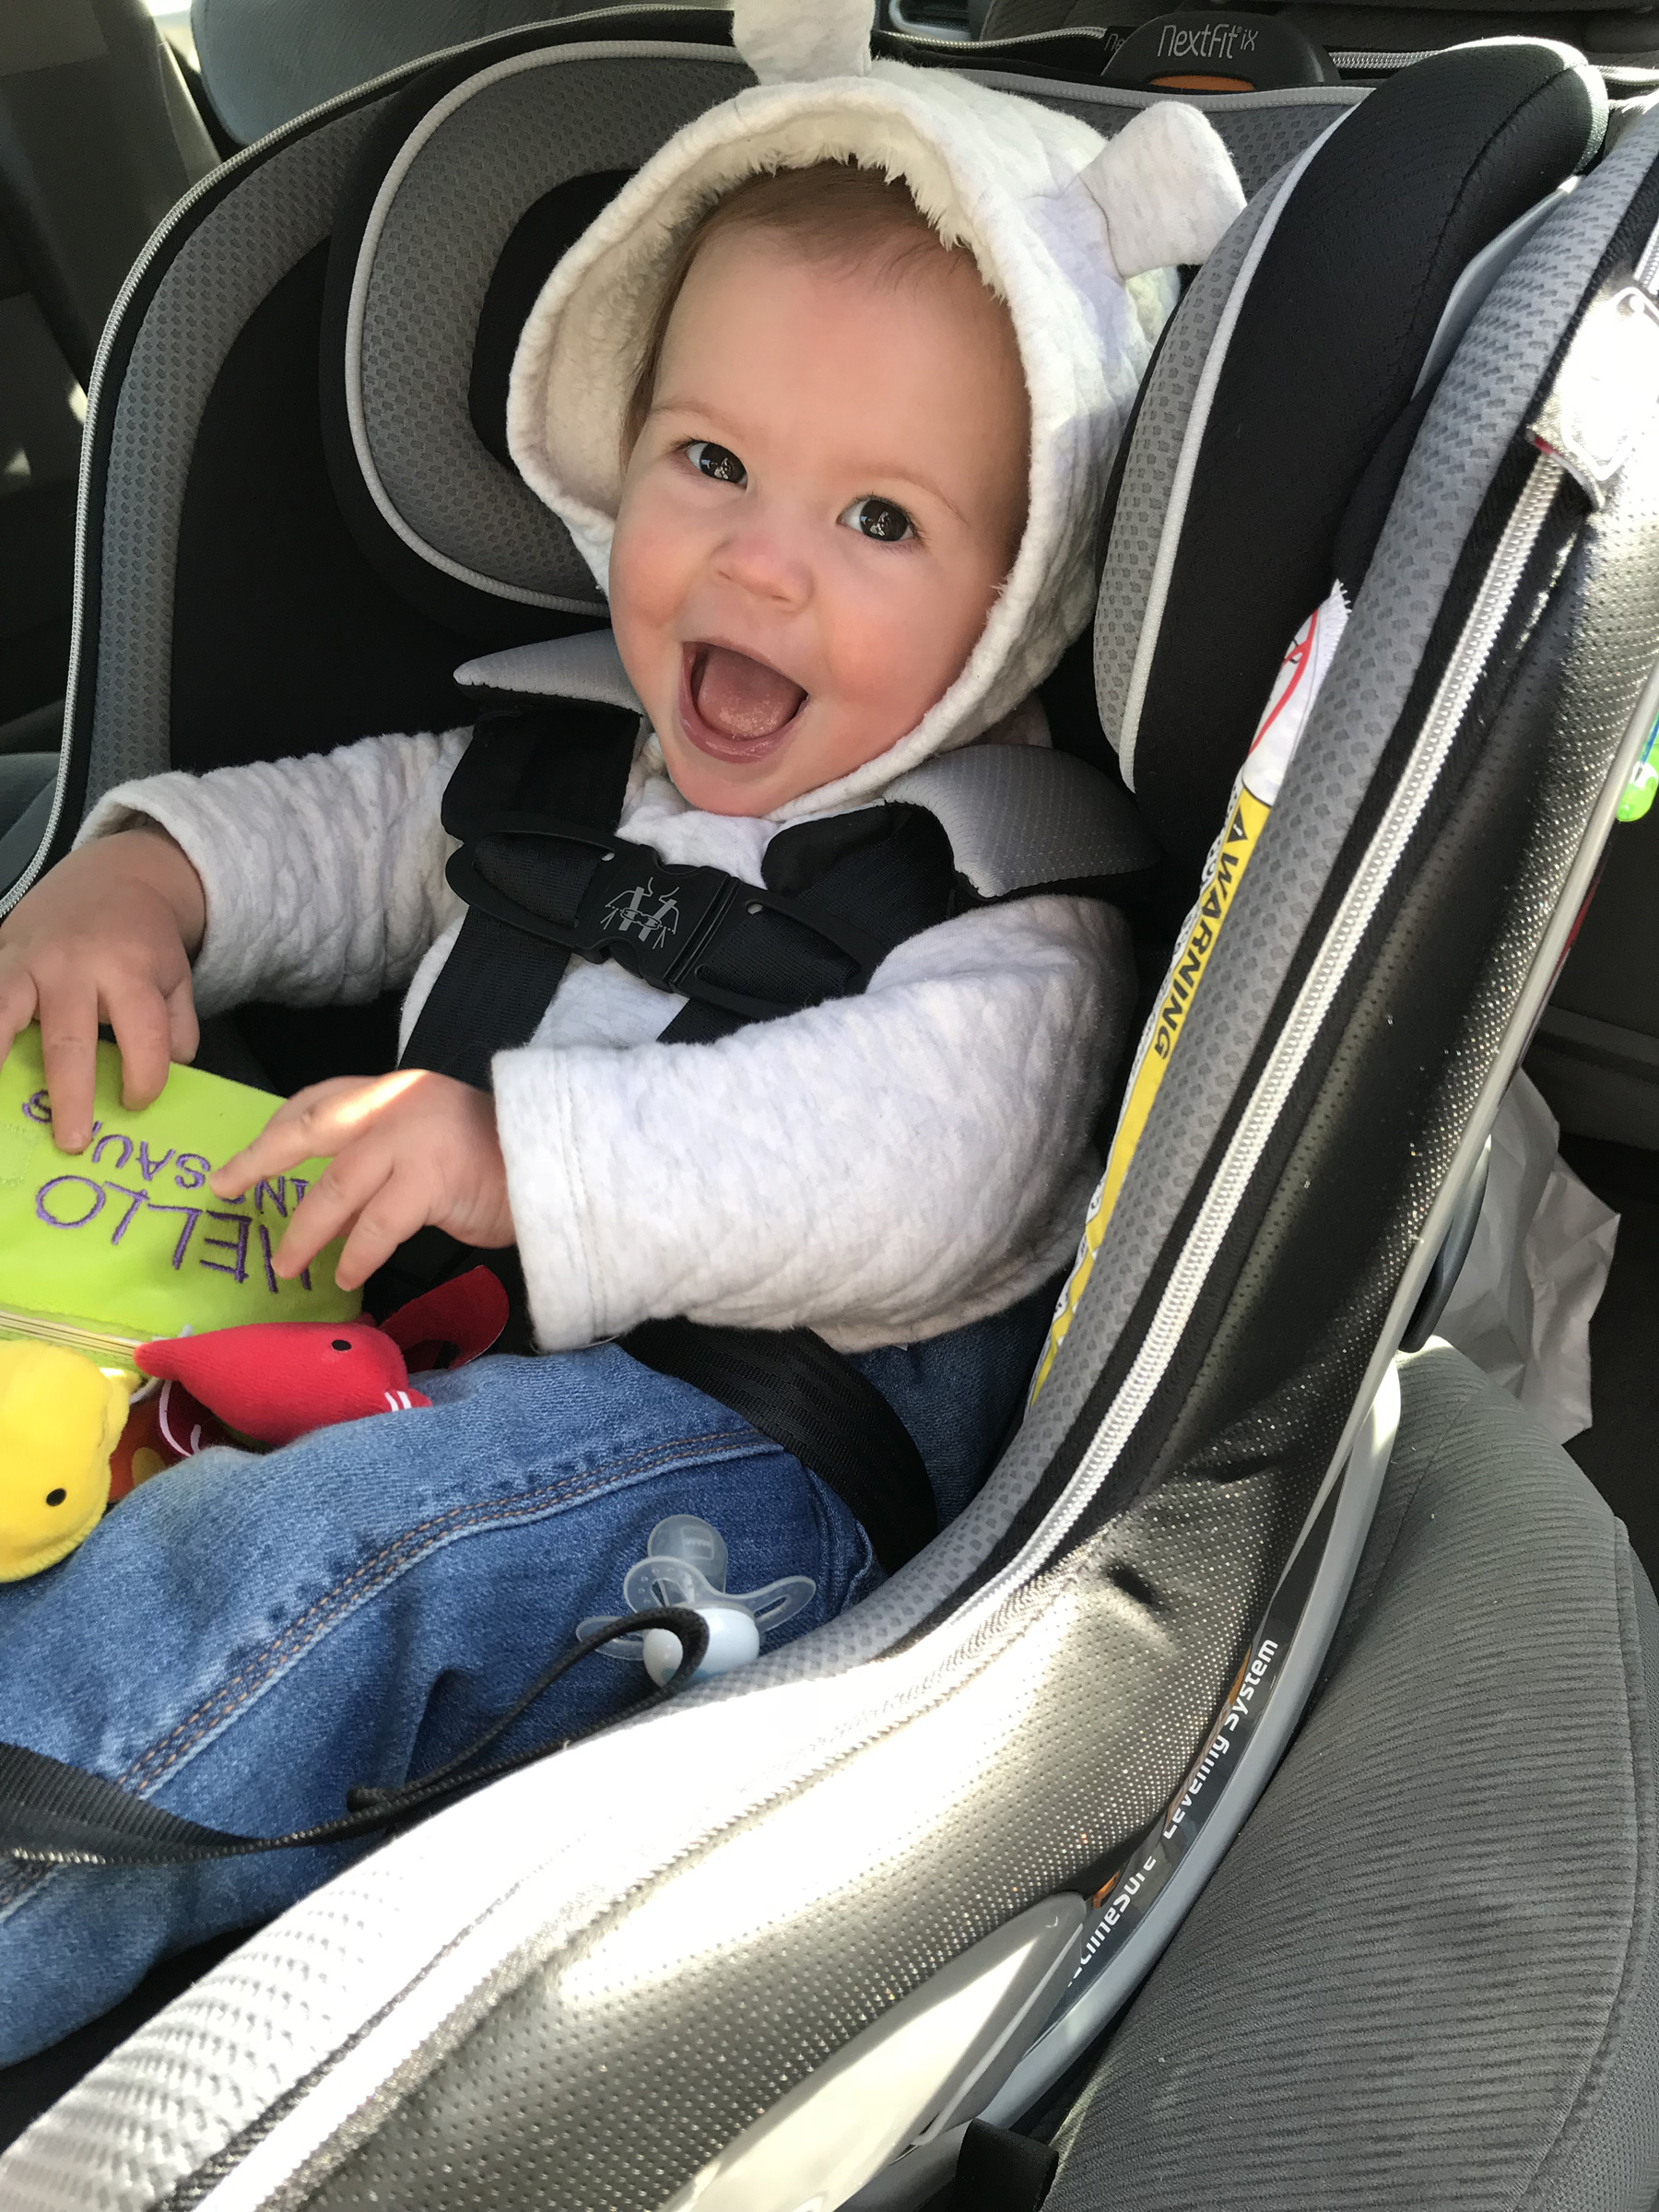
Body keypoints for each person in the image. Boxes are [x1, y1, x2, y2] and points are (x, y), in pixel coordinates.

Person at [0, 0, 1243, 2059]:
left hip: (746, 1459)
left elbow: (919, 1162)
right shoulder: (575, 764)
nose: (760, 561)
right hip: (397, 1349)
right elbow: (339, 827)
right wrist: (144, 881)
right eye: (713, 462)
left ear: (1029, 579)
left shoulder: (1012, 915)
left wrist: (520, 1154)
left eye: (879, 521)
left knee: (319, 1565)